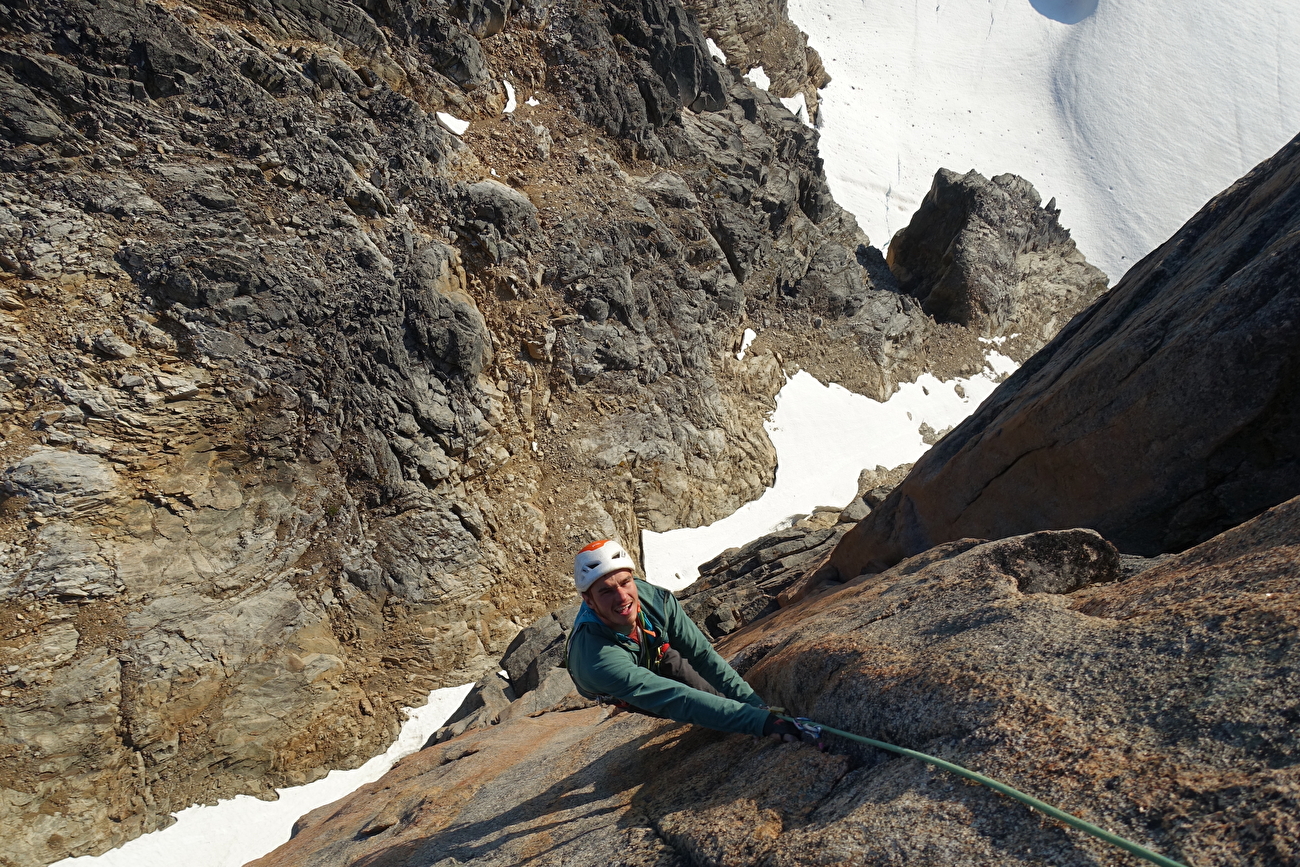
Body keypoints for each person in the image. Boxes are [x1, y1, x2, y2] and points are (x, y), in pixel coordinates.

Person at [566, 539, 802, 741]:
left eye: (626, 582)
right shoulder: (596, 660)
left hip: (654, 649)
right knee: (697, 709)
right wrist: (762, 724)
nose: (622, 596)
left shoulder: (656, 601)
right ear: (588, 600)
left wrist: (757, 706)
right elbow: (675, 699)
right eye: (606, 591)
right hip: (617, 682)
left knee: (716, 698)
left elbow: (702, 656)